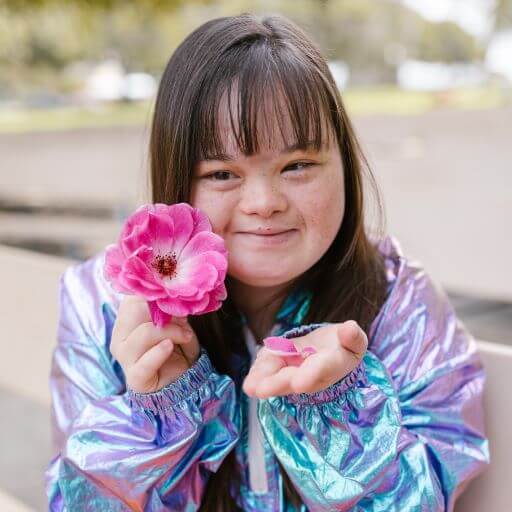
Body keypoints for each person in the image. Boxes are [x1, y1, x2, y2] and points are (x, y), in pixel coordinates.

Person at [44, 13, 489, 512]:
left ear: (345, 163)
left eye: (297, 165)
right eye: (221, 173)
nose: (264, 201)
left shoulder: (399, 302)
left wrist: (335, 412)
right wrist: (160, 411)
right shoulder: (103, 304)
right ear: (174, 179)